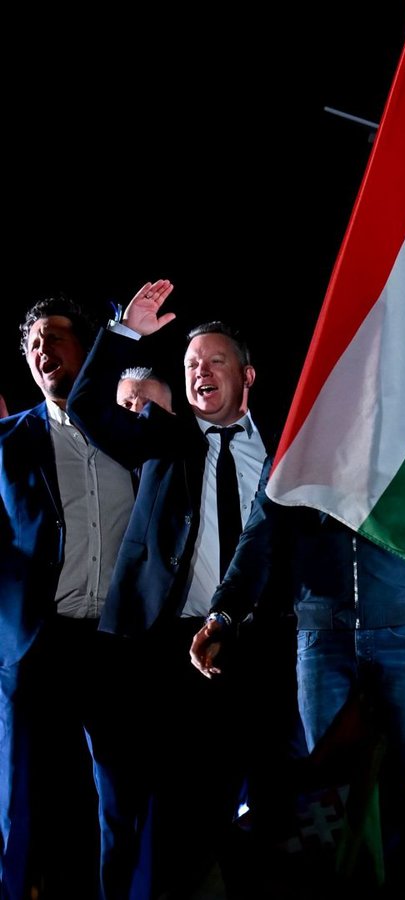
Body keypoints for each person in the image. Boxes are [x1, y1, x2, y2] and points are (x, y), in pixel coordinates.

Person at [188, 458, 405, 899]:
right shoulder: (300, 443)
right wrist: (222, 616)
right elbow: (258, 540)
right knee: (328, 799)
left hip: (403, 635)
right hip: (322, 642)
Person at [65, 280, 279, 897]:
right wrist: (125, 333)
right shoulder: (166, 436)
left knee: (254, 815)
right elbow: (92, 412)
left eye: (214, 362)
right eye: (189, 365)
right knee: (171, 821)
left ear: (248, 376)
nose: (199, 373)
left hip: (256, 651)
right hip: (166, 652)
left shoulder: (283, 452)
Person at [1, 297, 143, 898]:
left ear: (87, 352)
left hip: (116, 642)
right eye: (33, 343)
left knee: (122, 800)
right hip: (38, 645)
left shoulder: (134, 437)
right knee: (23, 803)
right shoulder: (6, 443)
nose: (42, 349)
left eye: (56, 337)